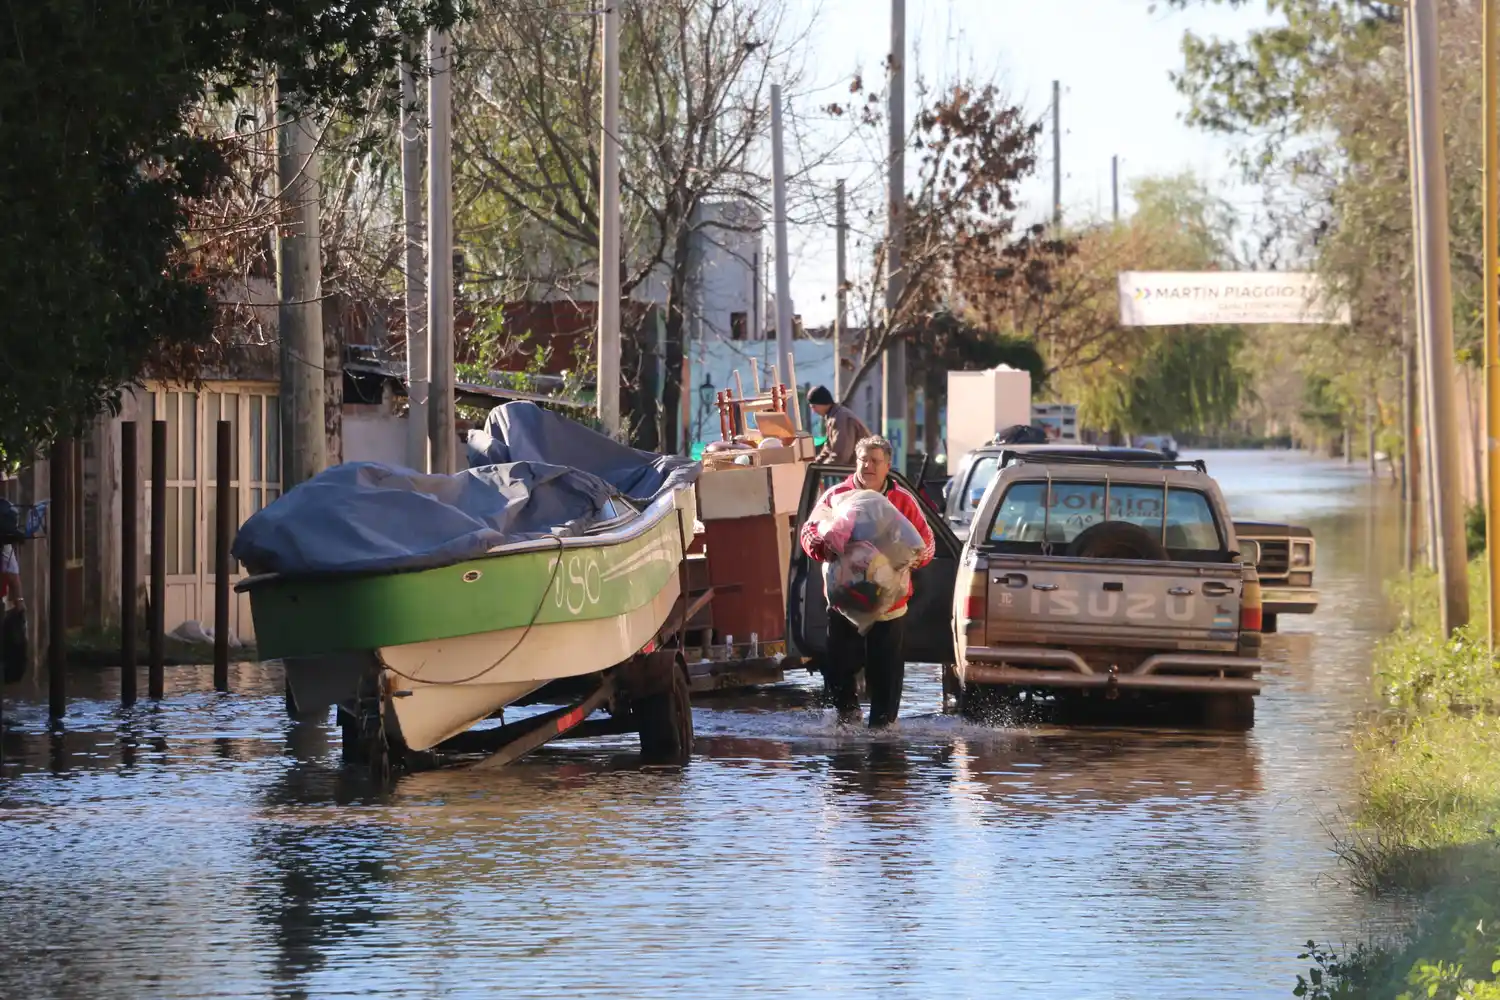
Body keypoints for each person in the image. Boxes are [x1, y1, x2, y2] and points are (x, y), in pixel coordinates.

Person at [799, 435, 935, 728]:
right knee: (838, 667)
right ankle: (846, 721)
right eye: (863, 460)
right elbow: (808, 532)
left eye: (875, 461)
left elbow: (927, 542)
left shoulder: (903, 500)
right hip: (845, 600)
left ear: (887, 465)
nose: (868, 466)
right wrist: (824, 546)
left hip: (890, 604)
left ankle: (883, 730)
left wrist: (913, 559)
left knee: (886, 670)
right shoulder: (836, 495)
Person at [807, 385, 871, 466]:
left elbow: (840, 456)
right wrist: (814, 466)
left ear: (821, 403)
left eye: (813, 407)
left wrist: (823, 471)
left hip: (864, 471)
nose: (814, 411)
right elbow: (828, 449)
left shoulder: (840, 419)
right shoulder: (833, 417)